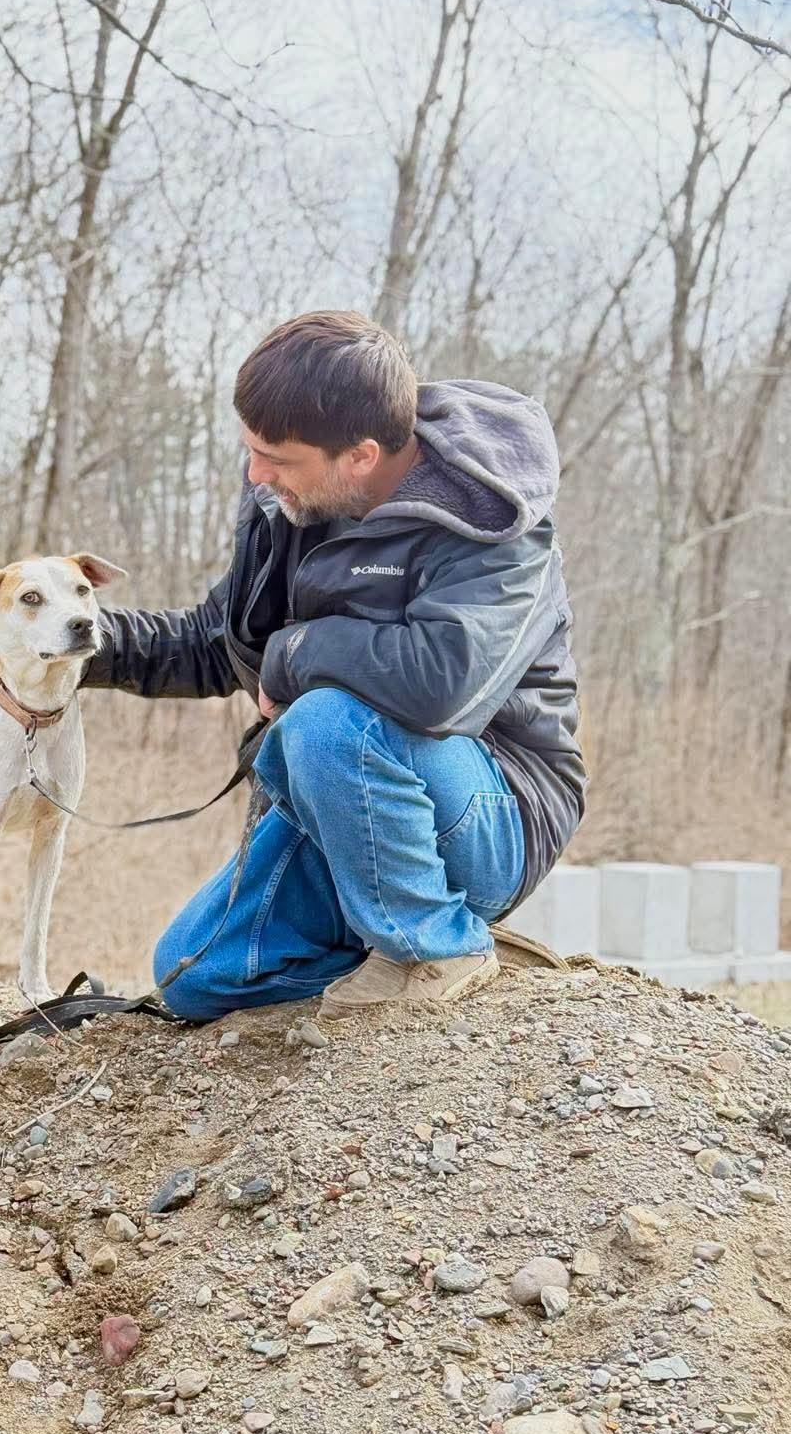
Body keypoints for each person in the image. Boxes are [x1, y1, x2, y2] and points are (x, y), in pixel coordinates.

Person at [83, 309, 586, 1021]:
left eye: (278, 458)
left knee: (325, 718)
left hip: (494, 806)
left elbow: (440, 684)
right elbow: (217, 641)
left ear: (361, 455)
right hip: (343, 801)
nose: (257, 474)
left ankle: (441, 945)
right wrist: (70, 645)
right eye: (252, 450)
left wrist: (293, 657)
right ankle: (390, 936)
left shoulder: (494, 523)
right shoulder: (295, 506)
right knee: (192, 977)